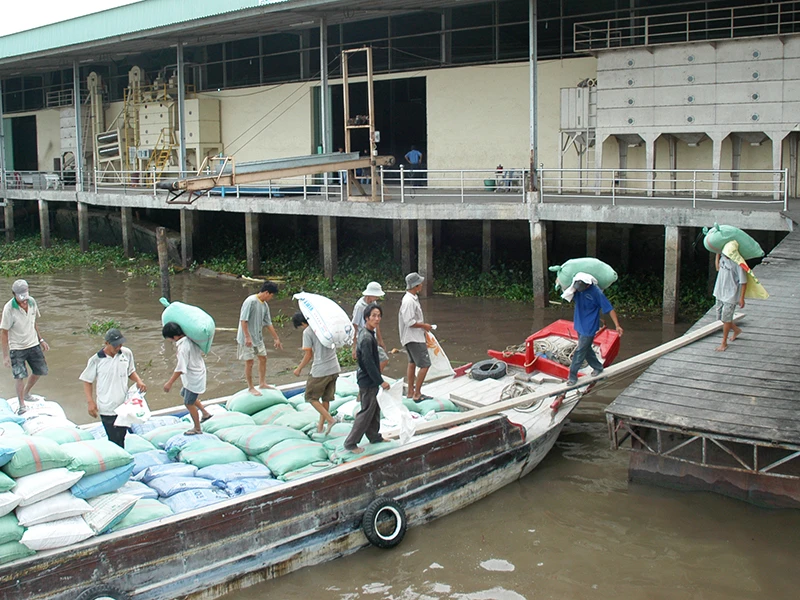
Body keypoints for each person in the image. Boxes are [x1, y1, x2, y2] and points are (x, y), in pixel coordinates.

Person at [79, 328, 147, 447]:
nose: (118, 347)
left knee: (122, 436)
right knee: (113, 439)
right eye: (115, 345)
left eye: (120, 344)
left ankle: (122, 455)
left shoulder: (126, 353)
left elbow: (130, 372)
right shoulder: (96, 360)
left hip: (123, 405)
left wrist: (139, 381)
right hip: (106, 407)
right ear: (107, 343)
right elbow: (87, 381)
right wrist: (90, 402)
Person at [344, 303, 390, 454]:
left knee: (374, 409)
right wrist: (380, 381)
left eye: (379, 316)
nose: (377, 319)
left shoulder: (370, 334)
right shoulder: (366, 338)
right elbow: (369, 364)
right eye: (373, 316)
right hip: (367, 380)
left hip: (370, 379)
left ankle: (374, 436)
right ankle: (351, 443)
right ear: (366, 318)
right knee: (366, 412)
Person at [565, 273, 623, 386]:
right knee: (586, 350)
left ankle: (572, 376)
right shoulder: (576, 289)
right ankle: (598, 367)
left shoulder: (596, 293)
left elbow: (609, 309)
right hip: (579, 324)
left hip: (589, 327)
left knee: (580, 350)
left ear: (587, 285)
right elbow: (567, 292)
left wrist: (617, 325)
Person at [1, 279, 49, 413]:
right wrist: (5, 356)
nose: (24, 302)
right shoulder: (9, 309)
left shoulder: (32, 302)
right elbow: (4, 332)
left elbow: (34, 322)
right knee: (20, 375)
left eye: (25, 298)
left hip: (33, 343)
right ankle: (22, 405)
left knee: (41, 370)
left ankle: (27, 393)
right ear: (14, 295)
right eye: (21, 299)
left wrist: (41, 340)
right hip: (17, 347)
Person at [292, 312, 339, 435]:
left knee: (310, 397)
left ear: (303, 323)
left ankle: (330, 420)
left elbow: (308, 354)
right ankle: (320, 427)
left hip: (321, 370)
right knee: (326, 398)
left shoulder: (308, 331)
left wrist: (299, 368)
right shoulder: (325, 327)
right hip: (334, 368)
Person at [162, 322, 212, 435]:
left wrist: (169, 383)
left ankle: (197, 428)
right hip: (198, 372)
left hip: (194, 377)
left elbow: (180, 368)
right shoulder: (190, 339)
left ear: (174, 337)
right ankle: (205, 413)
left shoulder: (183, 348)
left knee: (188, 403)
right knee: (184, 394)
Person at [236, 281, 283, 396]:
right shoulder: (250, 301)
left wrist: (276, 338)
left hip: (258, 338)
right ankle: (251, 387)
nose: (271, 298)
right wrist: (247, 337)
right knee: (250, 362)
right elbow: (243, 320)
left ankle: (262, 383)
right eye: (271, 295)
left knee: (263, 358)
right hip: (247, 338)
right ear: (267, 292)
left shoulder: (265, 305)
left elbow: (268, 323)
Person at [399, 272, 433, 401]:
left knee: (412, 362)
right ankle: (417, 394)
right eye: (420, 283)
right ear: (415, 286)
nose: (422, 285)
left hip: (411, 338)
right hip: (414, 338)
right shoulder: (409, 301)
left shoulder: (411, 298)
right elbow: (409, 322)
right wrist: (424, 326)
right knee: (425, 365)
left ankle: (410, 391)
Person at [713, 252, 747, 352]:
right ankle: (736, 330)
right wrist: (717, 255)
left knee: (726, 319)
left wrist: (741, 298)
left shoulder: (738, 263)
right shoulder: (723, 258)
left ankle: (724, 343)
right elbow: (717, 268)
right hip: (720, 292)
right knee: (721, 318)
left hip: (730, 295)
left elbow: (743, 282)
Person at [352, 281, 389, 371]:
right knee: (382, 359)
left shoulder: (374, 303)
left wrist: (380, 340)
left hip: (372, 337)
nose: (377, 297)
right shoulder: (359, 307)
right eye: (376, 295)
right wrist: (354, 347)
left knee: (373, 361)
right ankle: (375, 379)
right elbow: (354, 326)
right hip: (363, 338)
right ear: (369, 295)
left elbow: (377, 324)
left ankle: (374, 378)